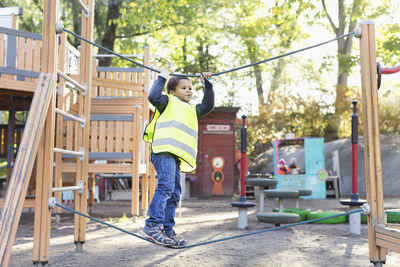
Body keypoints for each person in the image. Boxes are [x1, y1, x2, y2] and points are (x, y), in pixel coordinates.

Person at [141, 68, 214, 248]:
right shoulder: (167, 101)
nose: (189, 91)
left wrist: (208, 84)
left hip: (176, 156)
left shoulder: (191, 110)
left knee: (174, 193)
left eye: (190, 88)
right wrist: (162, 77)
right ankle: (152, 226)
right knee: (166, 187)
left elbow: (208, 106)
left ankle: (167, 230)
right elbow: (153, 97)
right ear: (172, 91)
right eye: (184, 88)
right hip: (163, 151)